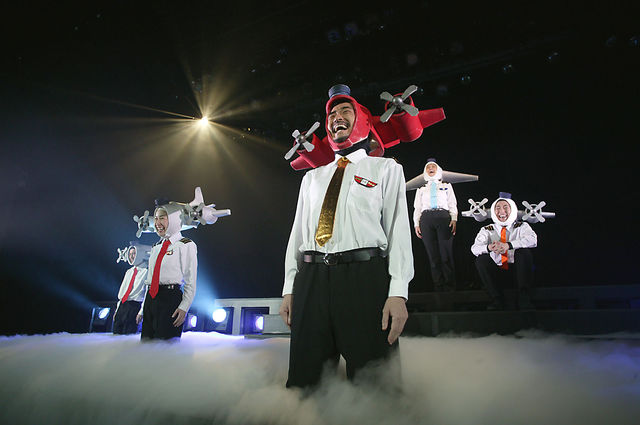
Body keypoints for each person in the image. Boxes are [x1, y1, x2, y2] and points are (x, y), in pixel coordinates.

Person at [280, 84, 413, 389]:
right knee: (305, 382)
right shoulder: (311, 178)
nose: (336, 117)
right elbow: (297, 235)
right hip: (312, 278)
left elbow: (398, 230)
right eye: (331, 114)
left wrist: (398, 292)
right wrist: (290, 288)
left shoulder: (386, 169)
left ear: (362, 120)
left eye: (345, 111)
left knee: (375, 384)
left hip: (364, 277)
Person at [136, 204, 197, 340]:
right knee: (146, 345)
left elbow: (191, 280)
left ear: (174, 219)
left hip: (170, 299)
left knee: (166, 346)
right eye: (156, 218)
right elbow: (150, 280)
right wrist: (143, 308)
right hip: (150, 300)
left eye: (162, 218)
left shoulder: (186, 245)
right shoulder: (156, 247)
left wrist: (184, 307)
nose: (157, 223)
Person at [471, 192, 537, 310]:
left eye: (506, 207)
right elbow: (474, 248)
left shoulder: (522, 226)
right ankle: (496, 299)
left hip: (517, 272)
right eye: (497, 208)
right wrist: (489, 248)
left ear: (512, 210)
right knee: (481, 259)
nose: (502, 211)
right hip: (498, 273)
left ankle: (524, 297)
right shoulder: (486, 229)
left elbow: (533, 240)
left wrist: (509, 245)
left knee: (523, 253)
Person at [413, 158, 458, 291]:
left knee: (445, 254)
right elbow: (417, 207)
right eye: (428, 167)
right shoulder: (421, 188)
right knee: (433, 255)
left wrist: (454, 218)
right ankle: (438, 285)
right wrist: (416, 224)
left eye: (433, 166)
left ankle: (450, 285)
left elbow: (452, 203)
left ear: (438, 169)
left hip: (443, 217)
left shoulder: (446, 185)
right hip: (426, 219)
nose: (431, 169)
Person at [113, 244, 148, 334]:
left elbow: (147, 293)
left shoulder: (146, 271)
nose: (131, 256)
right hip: (123, 306)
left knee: (130, 335)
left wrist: (141, 312)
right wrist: (117, 310)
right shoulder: (129, 272)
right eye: (130, 254)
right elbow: (123, 292)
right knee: (116, 333)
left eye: (134, 253)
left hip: (135, 306)